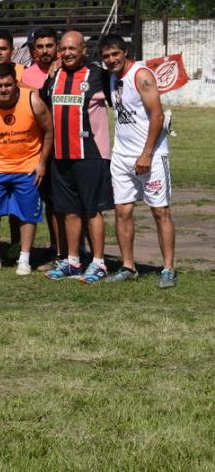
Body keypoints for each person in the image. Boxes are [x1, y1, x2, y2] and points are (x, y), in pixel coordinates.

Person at [100, 35, 177, 288]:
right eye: (106, 56)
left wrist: (146, 154)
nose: (111, 59)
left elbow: (157, 115)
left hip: (151, 155)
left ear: (125, 52)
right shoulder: (112, 77)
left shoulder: (141, 75)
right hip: (122, 155)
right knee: (122, 211)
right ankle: (128, 266)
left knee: (159, 211)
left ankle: (168, 269)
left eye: (115, 54)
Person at [41, 31, 115, 284]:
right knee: (68, 210)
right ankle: (73, 260)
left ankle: (98, 262)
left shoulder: (98, 75)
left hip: (91, 154)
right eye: (64, 49)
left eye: (73, 48)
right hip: (60, 155)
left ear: (84, 49)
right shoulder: (54, 75)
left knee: (92, 210)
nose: (68, 53)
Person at [0, 63, 53, 275]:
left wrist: (42, 162)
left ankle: (24, 259)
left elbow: (49, 131)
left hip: (28, 168)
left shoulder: (32, 100)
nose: (3, 89)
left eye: (7, 85)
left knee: (27, 215)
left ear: (15, 83)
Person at [21, 28, 62, 269]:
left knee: (68, 203)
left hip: (68, 146)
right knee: (49, 201)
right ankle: (57, 250)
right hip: (39, 148)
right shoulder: (27, 74)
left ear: (56, 46)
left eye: (49, 46)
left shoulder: (67, 70)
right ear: (33, 49)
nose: (45, 51)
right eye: (40, 46)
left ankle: (77, 250)